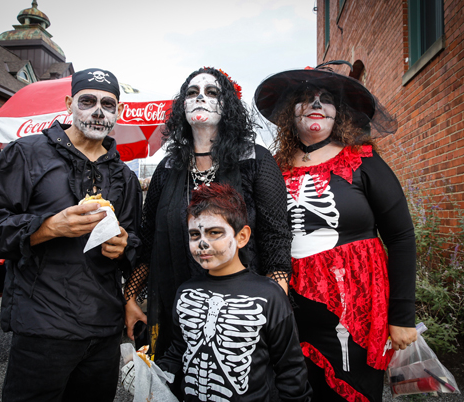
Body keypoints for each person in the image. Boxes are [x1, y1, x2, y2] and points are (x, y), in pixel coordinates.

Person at [0, 68, 142, 402]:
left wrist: (123, 245)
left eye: (108, 104)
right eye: (88, 101)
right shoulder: (25, 154)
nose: (98, 111)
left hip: (104, 330)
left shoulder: (124, 176)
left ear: (117, 113)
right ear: (69, 104)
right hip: (42, 328)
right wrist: (48, 227)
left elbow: (135, 240)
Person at [254, 61, 418, 402]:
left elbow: (401, 236)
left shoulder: (363, 160)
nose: (316, 104)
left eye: (326, 99)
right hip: (288, 311)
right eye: (305, 98)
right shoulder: (272, 167)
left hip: (354, 312)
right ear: (290, 112)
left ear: (338, 112)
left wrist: (402, 316)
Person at [124, 67, 292, 361]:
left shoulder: (255, 160)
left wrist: (274, 303)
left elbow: (276, 236)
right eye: (192, 92)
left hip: (243, 306)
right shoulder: (168, 168)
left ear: (227, 105)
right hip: (176, 302)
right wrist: (129, 298)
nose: (200, 97)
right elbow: (148, 237)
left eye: (211, 92)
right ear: (182, 106)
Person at [156, 183, 312, 401]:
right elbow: (179, 350)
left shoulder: (269, 295)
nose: (202, 244)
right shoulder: (185, 292)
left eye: (214, 232)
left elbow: (291, 369)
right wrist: (153, 377)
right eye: (194, 234)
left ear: (242, 236)